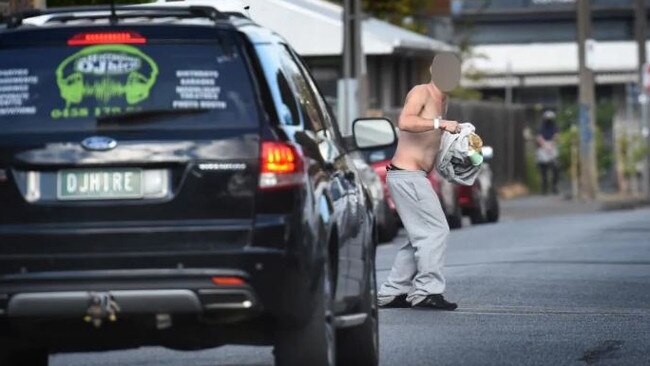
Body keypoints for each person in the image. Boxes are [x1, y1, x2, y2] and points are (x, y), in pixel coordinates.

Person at [377, 54, 461, 310]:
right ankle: (426, 291)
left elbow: (433, 140)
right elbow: (405, 121)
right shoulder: (421, 91)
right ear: (433, 69)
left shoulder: (443, 99)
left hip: (415, 176)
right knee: (436, 230)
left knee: (419, 236)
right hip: (406, 174)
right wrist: (440, 122)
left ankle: (392, 291)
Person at [536, 111, 559, 195]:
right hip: (542, 149)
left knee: (555, 168)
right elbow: (539, 137)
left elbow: (556, 136)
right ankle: (544, 189)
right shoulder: (541, 127)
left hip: (552, 148)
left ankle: (554, 186)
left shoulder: (555, 127)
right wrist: (544, 145)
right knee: (543, 171)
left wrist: (552, 144)